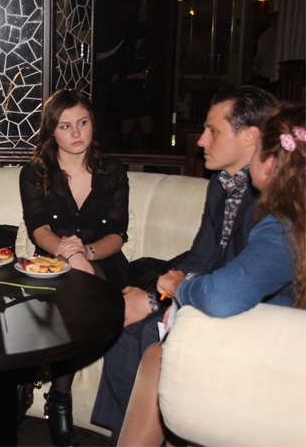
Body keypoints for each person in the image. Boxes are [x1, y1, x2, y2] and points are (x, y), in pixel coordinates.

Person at [91, 85, 279, 443]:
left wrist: (156, 300)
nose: (201, 140)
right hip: (206, 294)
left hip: (247, 312)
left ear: (251, 136)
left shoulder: (274, 199)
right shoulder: (221, 185)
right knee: (124, 324)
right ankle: (124, 435)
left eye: (213, 131)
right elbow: (200, 258)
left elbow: (239, 284)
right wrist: (157, 295)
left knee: (150, 331)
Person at [19, 88, 132, 446]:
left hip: (104, 260)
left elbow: (117, 234)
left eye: (83, 122)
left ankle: (59, 397)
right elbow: (39, 229)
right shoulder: (35, 172)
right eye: (65, 126)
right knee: (71, 286)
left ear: (93, 123)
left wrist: (86, 253)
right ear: (51, 131)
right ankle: (55, 397)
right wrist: (70, 255)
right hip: (53, 260)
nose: (77, 133)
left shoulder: (112, 170)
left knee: (82, 289)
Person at [111, 23, 155, 151]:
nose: (143, 43)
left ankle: (147, 158)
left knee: (144, 126)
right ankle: (126, 158)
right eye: (142, 40)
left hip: (137, 93)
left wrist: (145, 69)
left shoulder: (137, 52)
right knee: (129, 126)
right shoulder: (123, 53)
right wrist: (136, 76)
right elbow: (115, 78)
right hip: (128, 94)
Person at [252, 12, 278, 91]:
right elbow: (261, 54)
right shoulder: (267, 36)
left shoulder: (275, 35)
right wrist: (255, 69)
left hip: (268, 74)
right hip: (266, 74)